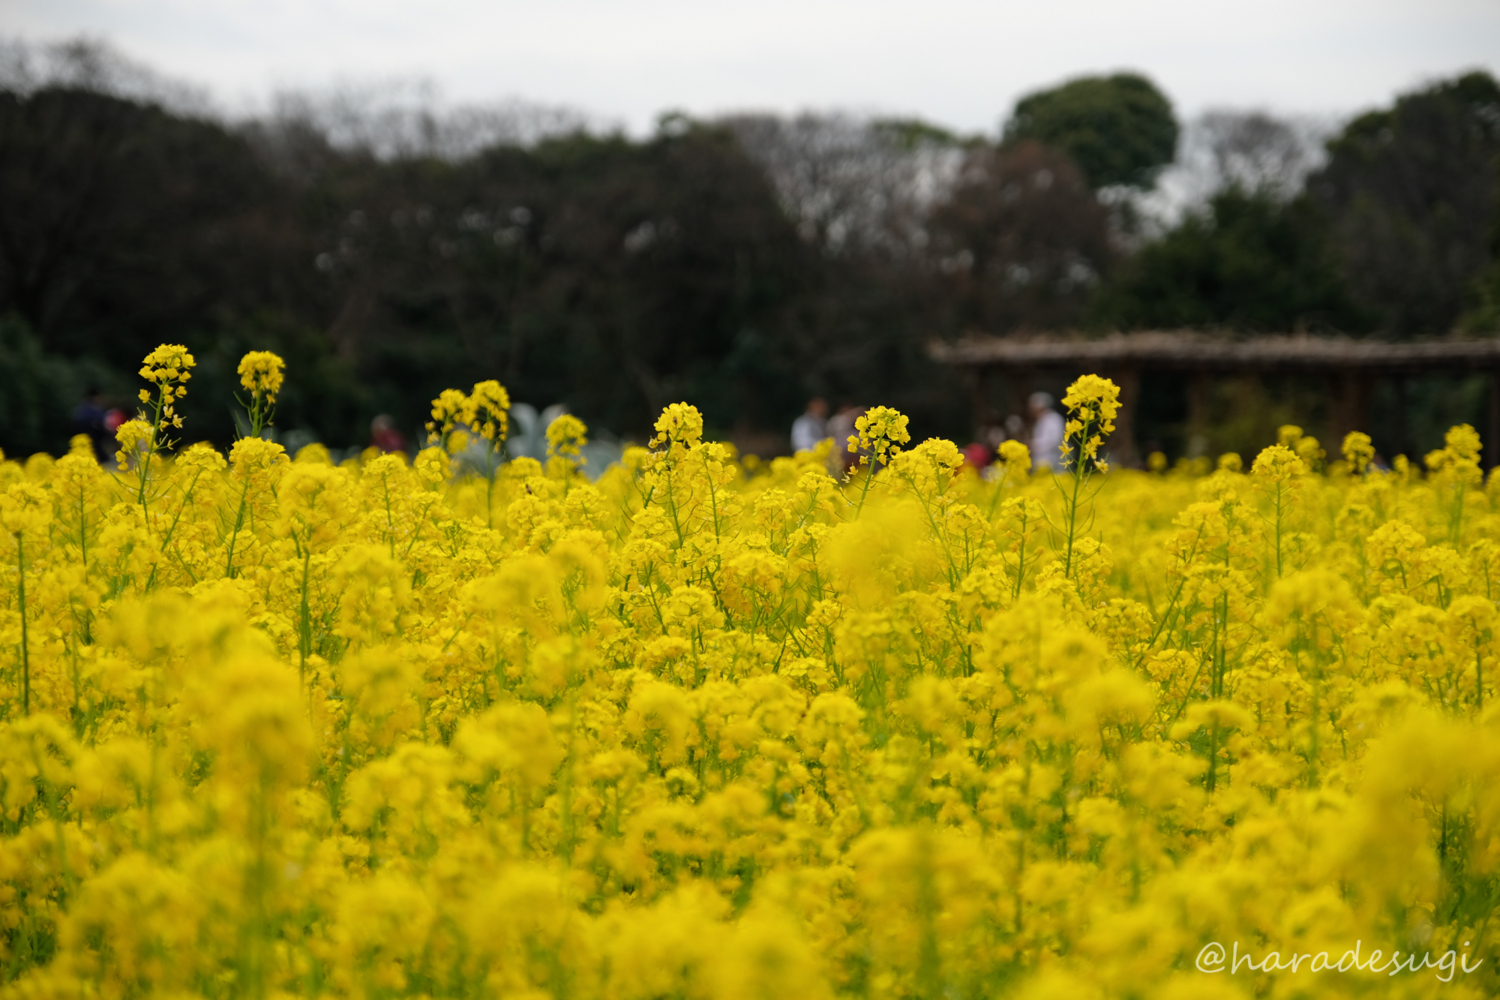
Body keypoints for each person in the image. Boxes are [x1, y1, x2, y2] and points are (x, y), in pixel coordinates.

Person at [71, 387, 111, 463]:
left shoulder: (80, 410)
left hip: (83, 443)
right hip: (94, 444)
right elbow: (105, 424)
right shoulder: (94, 410)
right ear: (96, 396)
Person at [1028, 392, 1066, 471]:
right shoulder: (1041, 420)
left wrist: (1034, 445)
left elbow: (1056, 440)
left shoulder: (1054, 419)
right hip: (1041, 462)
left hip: (1052, 461)